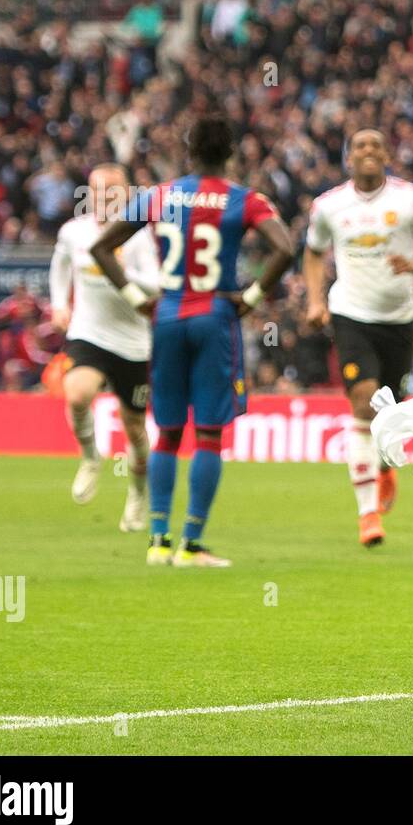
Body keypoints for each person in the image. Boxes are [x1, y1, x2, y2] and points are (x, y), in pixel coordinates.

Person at [90, 114, 294, 566]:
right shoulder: (244, 199)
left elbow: (100, 247)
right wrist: (254, 296)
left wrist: (136, 298)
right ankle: (191, 545)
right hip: (214, 316)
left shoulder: (160, 195)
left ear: (188, 152)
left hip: (166, 315)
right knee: (207, 435)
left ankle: (158, 541)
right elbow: (286, 247)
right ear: (231, 154)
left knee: (166, 432)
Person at [302, 129, 413, 547]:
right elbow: (312, 253)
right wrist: (315, 301)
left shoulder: (411, 201)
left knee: (389, 410)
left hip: (399, 321)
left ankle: (385, 466)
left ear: (386, 154)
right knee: (364, 401)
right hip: (350, 314)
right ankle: (367, 515)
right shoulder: (328, 206)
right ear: (349, 158)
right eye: (359, 146)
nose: (368, 151)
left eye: (375, 145)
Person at [48, 163, 160, 530]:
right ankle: (90, 456)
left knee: (135, 431)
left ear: (127, 194)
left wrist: (121, 270)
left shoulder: (139, 237)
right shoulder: (74, 232)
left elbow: (156, 286)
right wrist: (60, 304)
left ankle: (138, 494)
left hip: (132, 342)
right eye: (98, 190)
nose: (104, 197)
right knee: (77, 394)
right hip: (89, 332)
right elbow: (59, 265)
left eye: (112, 190)